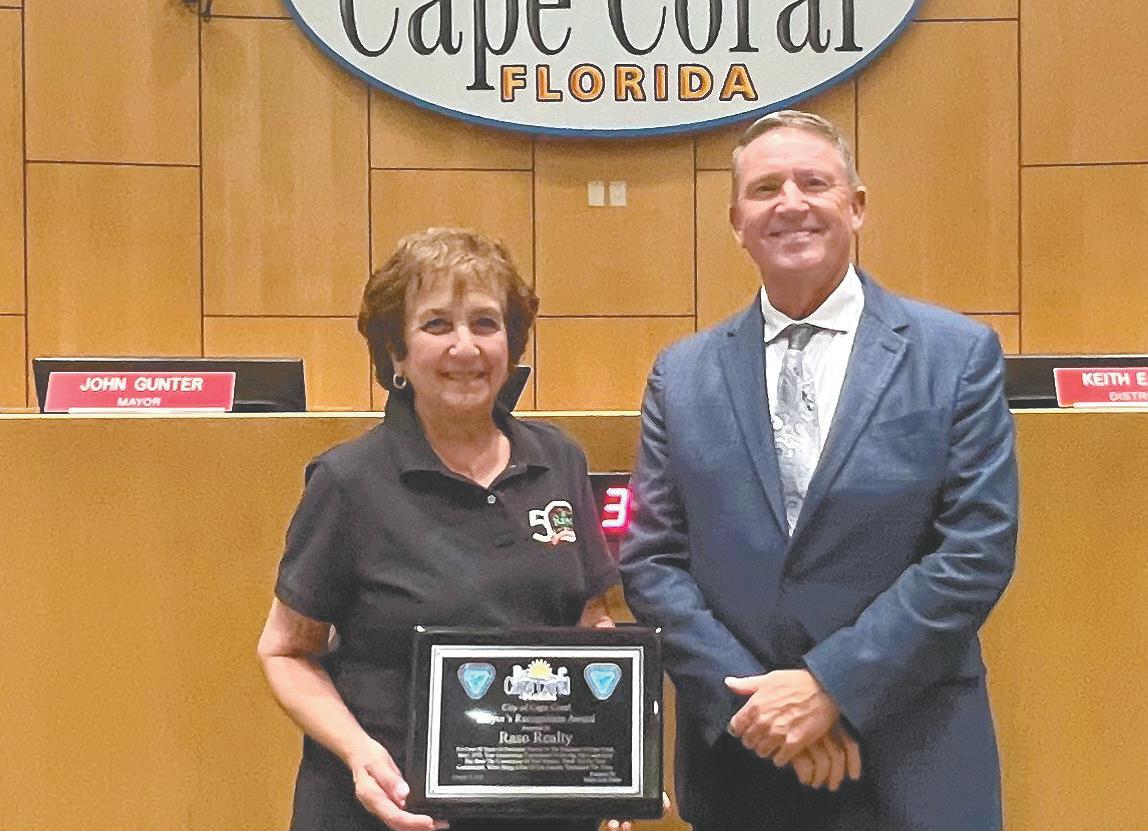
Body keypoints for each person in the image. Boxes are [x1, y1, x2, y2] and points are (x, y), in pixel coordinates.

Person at [619, 111, 1018, 830]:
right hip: (744, 765)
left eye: (814, 182)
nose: (791, 203)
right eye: (765, 188)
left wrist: (831, 686)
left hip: (914, 759)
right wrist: (759, 709)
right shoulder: (682, 376)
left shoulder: (956, 355)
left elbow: (975, 550)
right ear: (736, 222)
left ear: (856, 206)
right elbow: (652, 561)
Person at [258, 228, 625, 831]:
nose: (466, 346)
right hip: (392, 810)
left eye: (485, 323)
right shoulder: (348, 481)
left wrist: (611, 763)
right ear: (396, 353)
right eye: (436, 325)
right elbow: (285, 650)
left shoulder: (559, 459)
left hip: (536, 809)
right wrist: (358, 752)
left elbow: (590, 622)